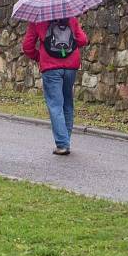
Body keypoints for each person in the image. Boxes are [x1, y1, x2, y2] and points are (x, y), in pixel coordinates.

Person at [22, 16, 89, 155]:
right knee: (67, 103)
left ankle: (62, 144)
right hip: (71, 66)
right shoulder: (71, 18)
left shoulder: (38, 20)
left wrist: (39, 56)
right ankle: (65, 140)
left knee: (55, 105)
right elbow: (83, 40)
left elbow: (27, 46)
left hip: (50, 67)